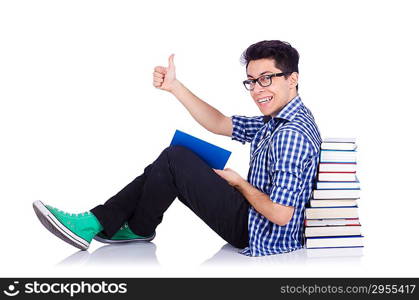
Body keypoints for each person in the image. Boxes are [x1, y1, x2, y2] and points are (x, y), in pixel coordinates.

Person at [33, 40, 321, 257]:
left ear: (292, 78)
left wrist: (239, 183)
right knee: (175, 157)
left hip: (258, 232)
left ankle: (106, 223)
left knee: (175, 158)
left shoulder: (290, 133)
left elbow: (281, 214)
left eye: (267, 78)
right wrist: (175, 87)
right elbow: (220, 122)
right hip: (254, 219)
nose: (258, 89)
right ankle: (121, 225)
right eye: (252, 81)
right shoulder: (277, 121)